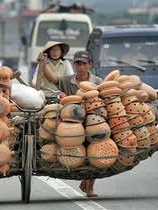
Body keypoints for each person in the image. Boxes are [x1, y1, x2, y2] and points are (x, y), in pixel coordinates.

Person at [42, 50, 103, 197]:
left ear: (90, 65)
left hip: (91, 122)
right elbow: (52, 78)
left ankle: (89, 187)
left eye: (84, 64)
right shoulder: (67, 80)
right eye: (78, 64)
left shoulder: (98, 82)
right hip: (70, 125)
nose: (81, 67)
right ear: (74, 65)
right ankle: (84, 179)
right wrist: (42, 63)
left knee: (95, 147)